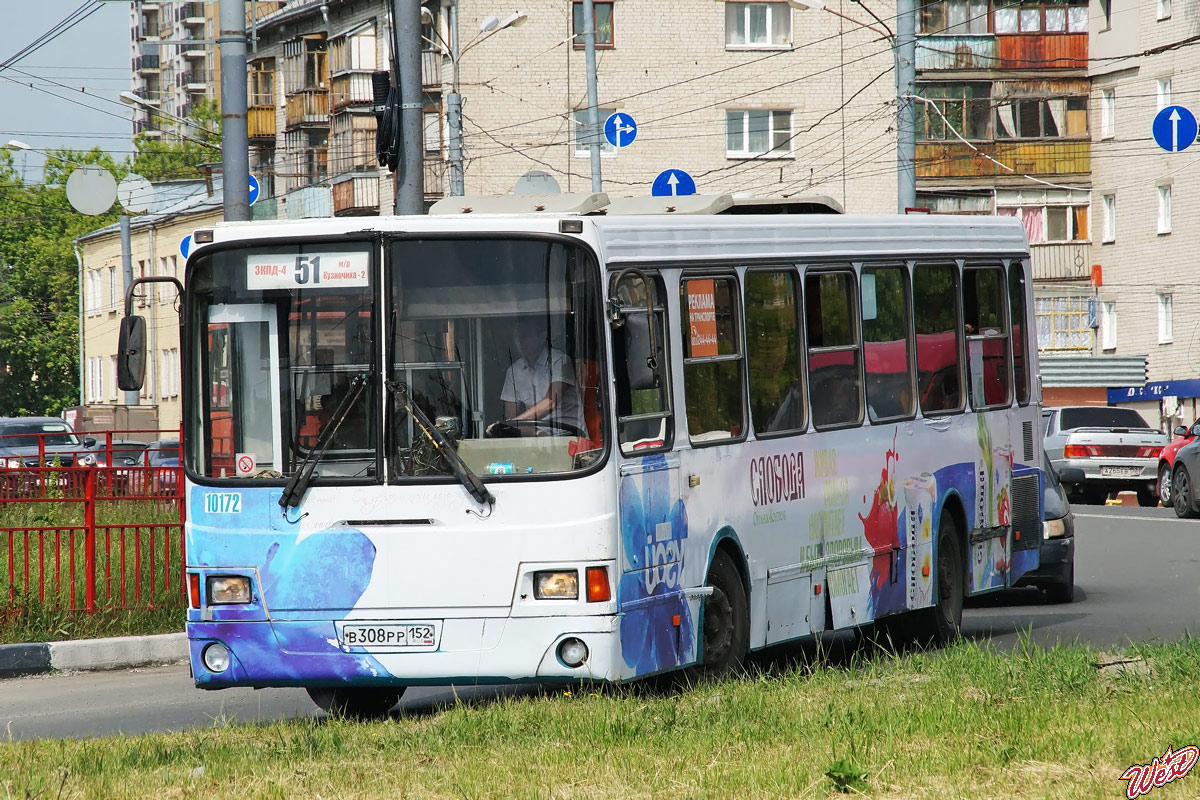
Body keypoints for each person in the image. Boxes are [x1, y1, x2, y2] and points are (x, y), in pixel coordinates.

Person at [489, 316, 586, 437]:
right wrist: (531, 431)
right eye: (517, 337)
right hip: (535, 441)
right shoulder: (513, 371)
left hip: (569, 438)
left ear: (542, 336)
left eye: (525, 336)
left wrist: (510, 425)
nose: (520, 341)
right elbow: (511, 415)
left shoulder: (560, 361)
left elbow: (550, 402)